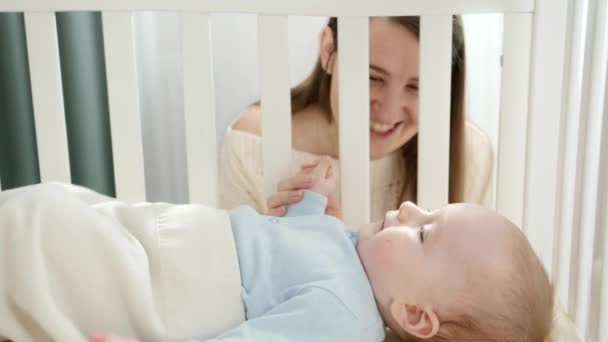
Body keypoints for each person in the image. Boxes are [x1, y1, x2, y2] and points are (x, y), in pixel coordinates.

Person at [0, 158, 553, 342]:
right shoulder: (351, 254)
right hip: (169, 233)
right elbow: (285, 245)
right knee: (55, 211)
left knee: (44, 247)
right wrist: (312, 199)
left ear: (414, 314)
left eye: (425, 232)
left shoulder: (342, 316)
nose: (409, 209)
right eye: (427, 207)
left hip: (175, 277)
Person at [219, 16, 493, 220]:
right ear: (328, 50)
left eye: (417, 87)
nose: (388, 111)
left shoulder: (467, 153)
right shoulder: (255, 143)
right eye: (372, 77)